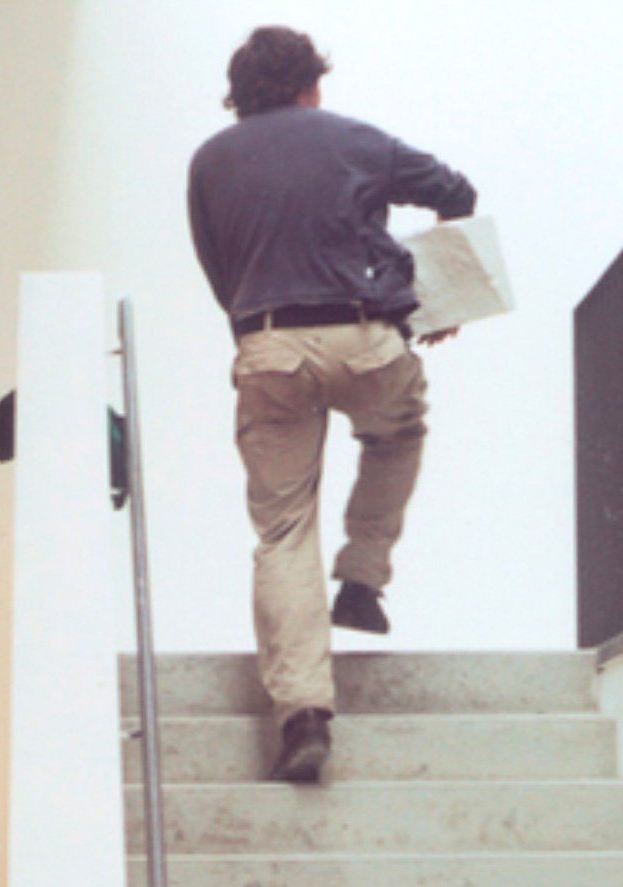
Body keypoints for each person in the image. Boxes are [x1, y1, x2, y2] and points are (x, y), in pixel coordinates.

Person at [188, 25, 477, 782]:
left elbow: (222, 277)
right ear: (310, 86)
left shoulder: (210, 161)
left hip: (269, 346)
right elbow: (458, 192)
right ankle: (363, 576)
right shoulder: (354, 138)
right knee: (397, 433)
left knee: (282, 532)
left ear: (241, 96)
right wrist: (441, 298)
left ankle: (304, 718)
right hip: (365, 337)